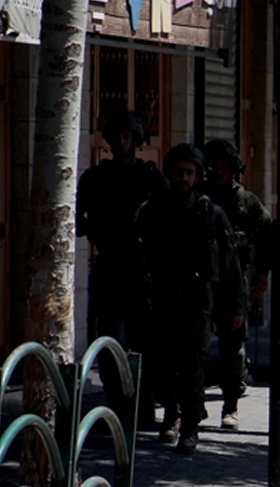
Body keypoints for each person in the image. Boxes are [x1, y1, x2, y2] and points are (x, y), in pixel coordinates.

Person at [137, 144, 247, 454]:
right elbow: (139, 258)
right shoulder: (153, 212)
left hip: (198, 301)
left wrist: (236, 307)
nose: (183, 178)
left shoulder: (212, 215)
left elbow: (229, 266)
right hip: (161, 299)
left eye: (189, 172)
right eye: (178, 172)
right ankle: (172, 413)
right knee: (161, 364)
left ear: (198, 176)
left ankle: (190, 428)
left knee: (191, 363)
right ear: (169, 174)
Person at [75, 110, 167, 423]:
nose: (122, 142)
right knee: (111, 342)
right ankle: (116, 406)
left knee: (144, 345)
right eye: (116, 137)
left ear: (136, 140)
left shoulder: (149, 177)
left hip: (141, 269)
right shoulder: (96, 178)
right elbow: (74, 217)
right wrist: (94, 229)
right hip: (110, 267)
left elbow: (167, 215)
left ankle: (142, 406)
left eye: (127, 137)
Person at [201, 139, 273, 429]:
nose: (218, 172)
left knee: (233, 348)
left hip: (233, 282)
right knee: (194, 345)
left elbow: (267, 234)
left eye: (224, 167)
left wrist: (262, 273)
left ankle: (230, 405)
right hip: (200, 282)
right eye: (213, 167)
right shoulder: (198, 198)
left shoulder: (246, 201)